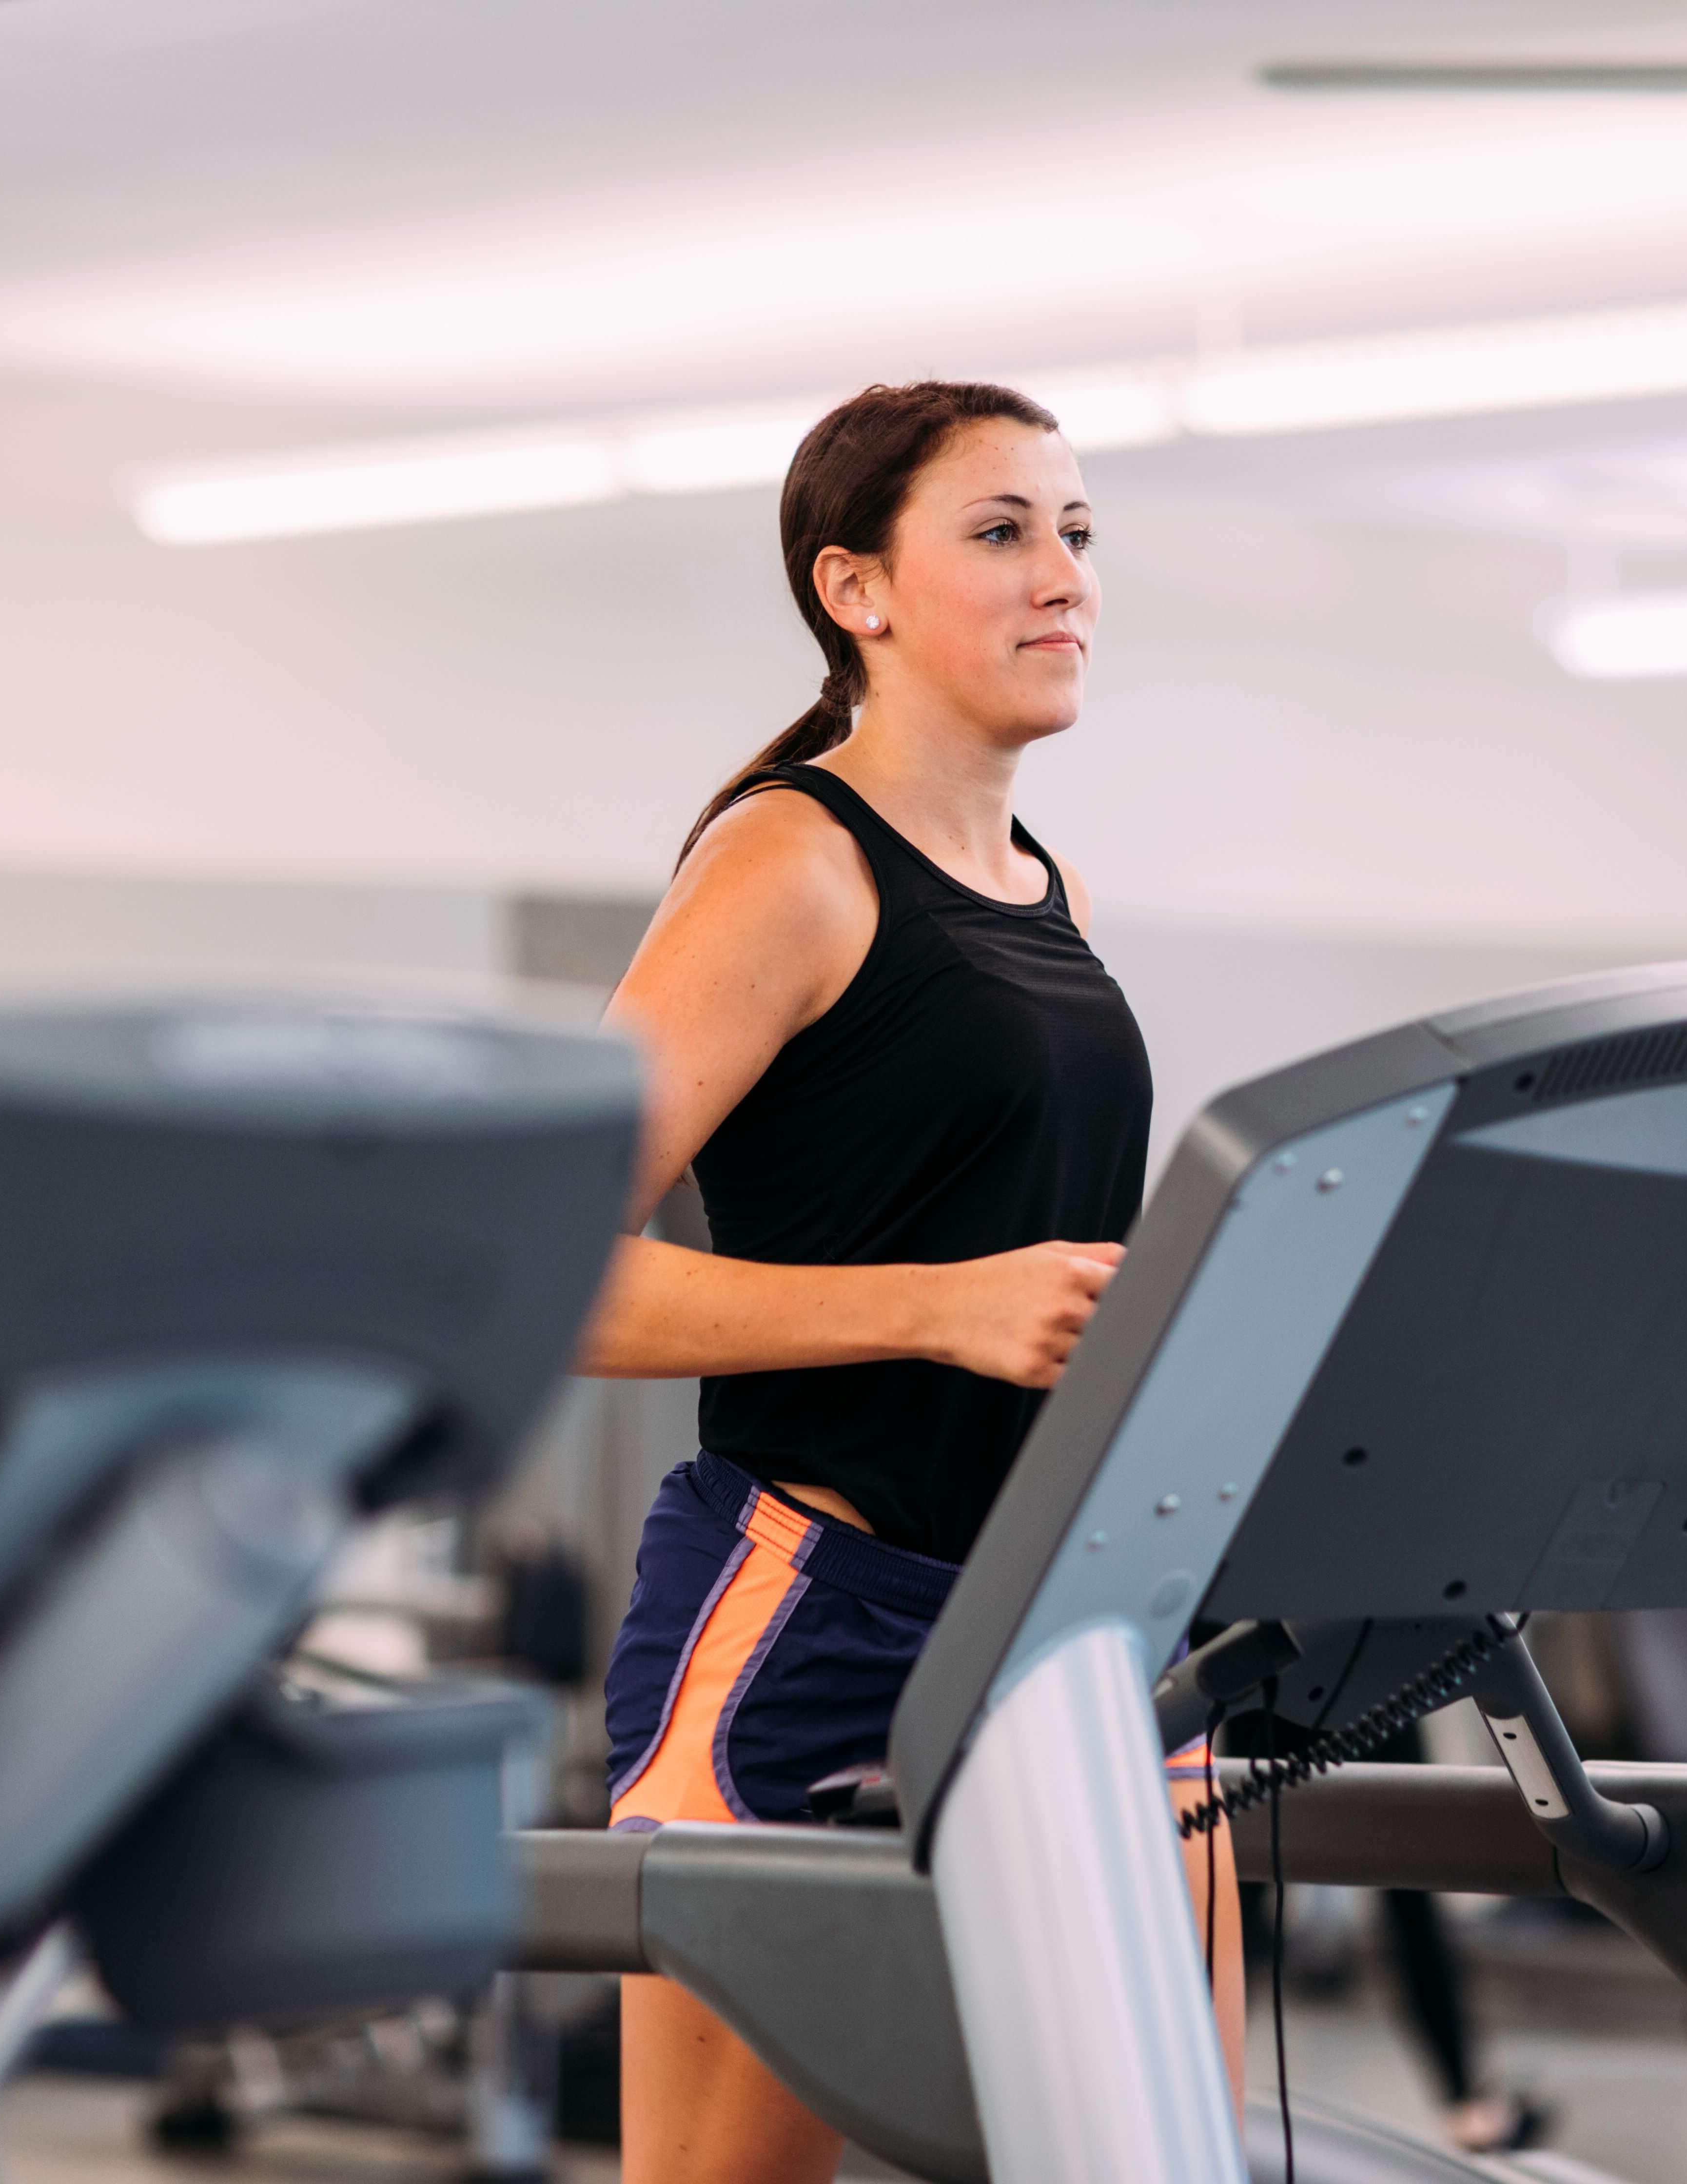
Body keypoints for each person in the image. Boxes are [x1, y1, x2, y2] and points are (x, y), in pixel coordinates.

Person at [580, 379, 1239, 2183]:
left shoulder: (1049, 892)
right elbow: (546, 1278)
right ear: (856, 588)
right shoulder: (789, 861)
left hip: (1081, 1614)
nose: (1067, 580)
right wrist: (935, 1304)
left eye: (1081, 536)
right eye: (1004, 533)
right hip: (817, 1608)